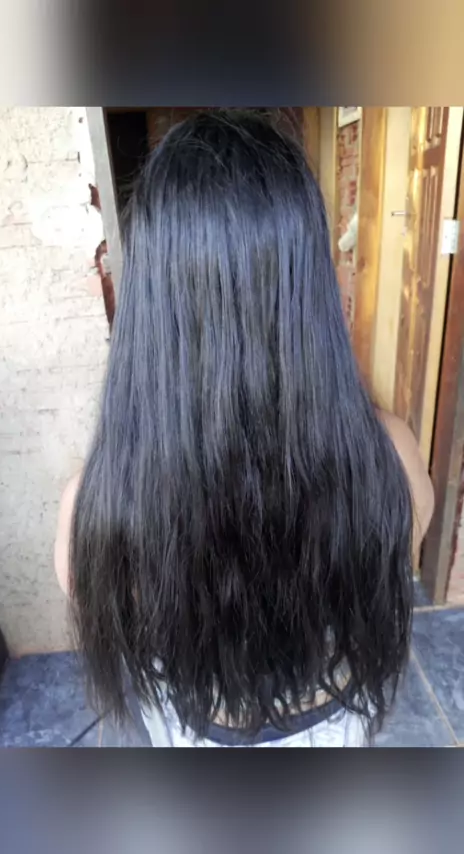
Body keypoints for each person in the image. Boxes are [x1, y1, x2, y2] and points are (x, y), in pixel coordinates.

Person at [55, 110, 434, 747]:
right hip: (332, 728)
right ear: (308, 286)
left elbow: (105, 616)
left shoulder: (94, 513)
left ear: (151, 299)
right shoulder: (390, 459)